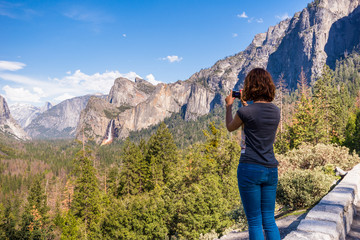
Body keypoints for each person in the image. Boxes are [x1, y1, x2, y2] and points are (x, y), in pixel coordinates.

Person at [225, 68, 280, 240]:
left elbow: (230, 127)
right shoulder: (276, 111)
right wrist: (245, 106)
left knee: (255, 222)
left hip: (250, 169)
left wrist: (228, 106)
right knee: (269, 220)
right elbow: (257, 118)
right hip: (271, 169)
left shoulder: (245, 112)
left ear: (250, 86)